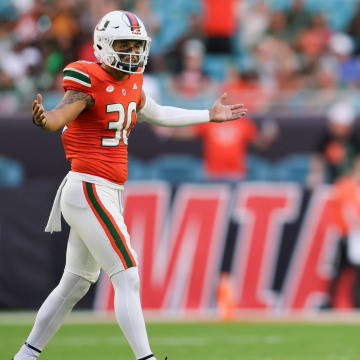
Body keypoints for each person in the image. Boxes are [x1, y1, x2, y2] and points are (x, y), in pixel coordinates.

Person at [12, 10, 247, 360]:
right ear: (103, 45)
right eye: (124, 45)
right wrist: (46, 120)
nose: (132, 53)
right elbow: (62, 113)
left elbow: (158, 111)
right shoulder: (87, 78)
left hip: (105, 191)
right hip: (88, 187)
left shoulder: (133, 83)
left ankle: (25, 356)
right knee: (128, 273)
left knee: (74, 283)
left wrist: (207, 116)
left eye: (137, 46)